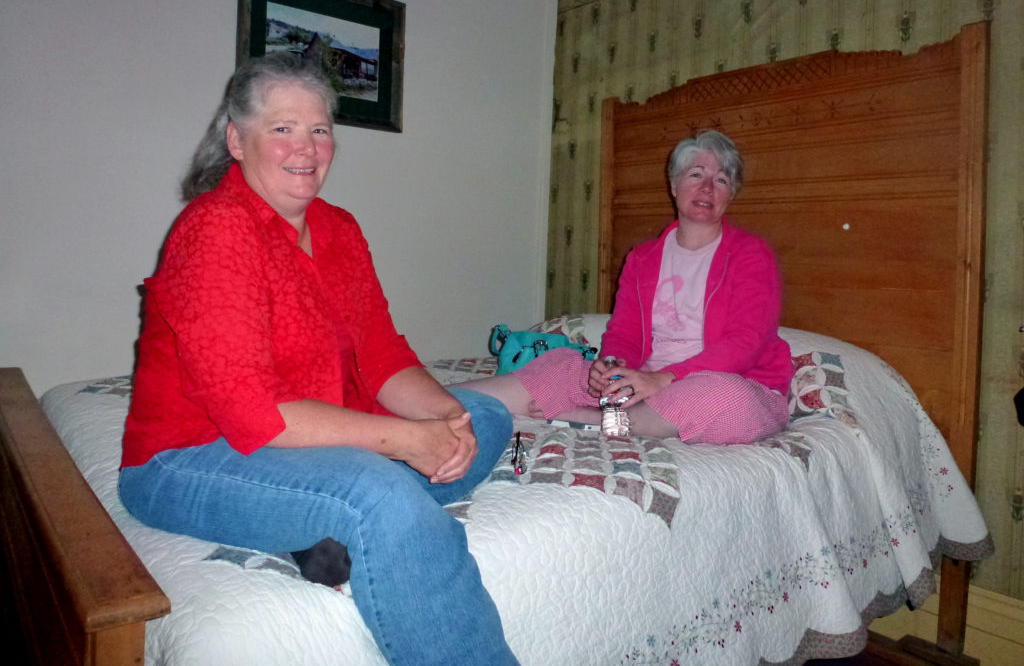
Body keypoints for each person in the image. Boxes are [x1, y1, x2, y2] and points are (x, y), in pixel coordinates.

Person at [118, 53, 519, 666]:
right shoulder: (215, 228)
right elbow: (256, 415)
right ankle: (365, 515)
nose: (305, 147)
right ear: (236, 139)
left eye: (320, 129)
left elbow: (382, 354)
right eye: (281, 128)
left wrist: (441, 419)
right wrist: (403, 444)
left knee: (486, 416)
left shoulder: (340, 229)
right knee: (382, 495)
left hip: (308, 437)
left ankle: (325, 523)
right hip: (192, 456)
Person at [466, 130, 793, 444]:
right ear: (674, 185)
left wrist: (663, 379)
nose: (707, 187)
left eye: (721, 180)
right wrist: (612, 367)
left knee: (727, 400)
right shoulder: (643, 259)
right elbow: (624, 334)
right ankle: (442, 401)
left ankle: (595, 420)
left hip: (727, 383)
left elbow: (746, 343)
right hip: (644, 381)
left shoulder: (751, 254)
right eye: (696, 175)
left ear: (730, 195)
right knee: (561, 366)